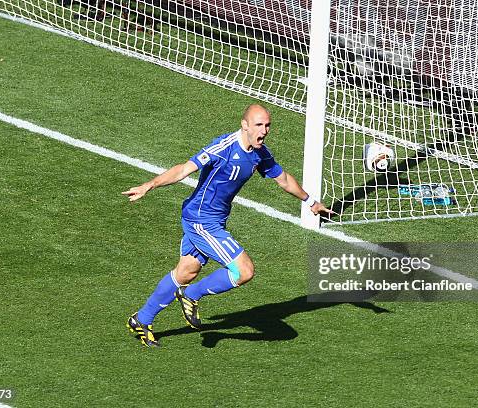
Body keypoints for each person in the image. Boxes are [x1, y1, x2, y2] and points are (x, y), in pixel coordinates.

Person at [122, 104, 332, 347]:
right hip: (201, 220)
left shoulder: (259, 153)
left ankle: (142, 319)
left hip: (214, 219)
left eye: (267, 125)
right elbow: (183, 170)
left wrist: (310, 201)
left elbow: (282, 179)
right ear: (244, 125)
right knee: (244, 271)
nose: (264, 131)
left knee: (186, 271)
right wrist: (149, 185)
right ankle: (191, 295)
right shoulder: (223, 148)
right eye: (258, 125)